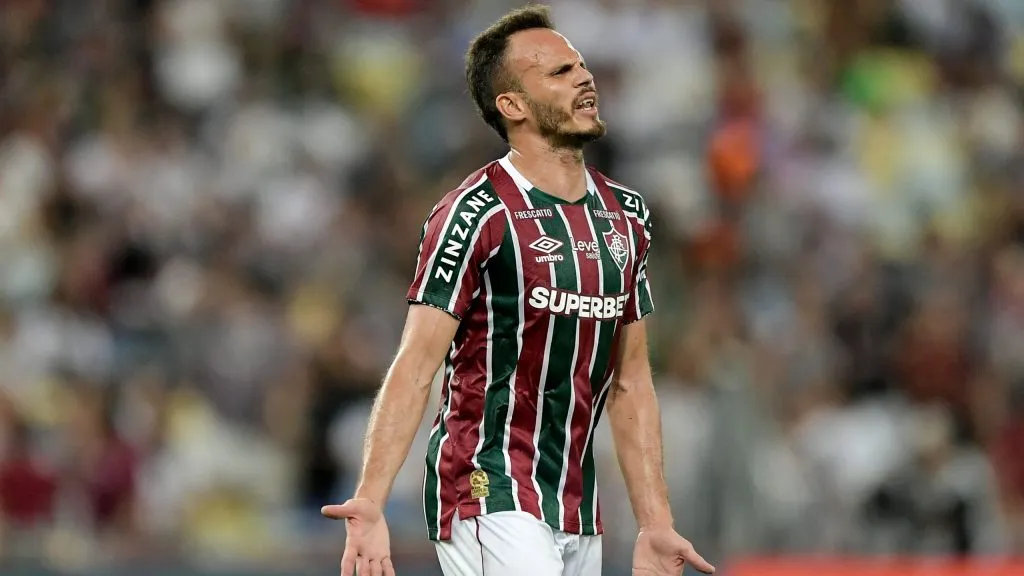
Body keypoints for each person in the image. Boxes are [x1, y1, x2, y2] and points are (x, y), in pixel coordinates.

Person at [320, 5, 714, 576]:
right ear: (513, 106)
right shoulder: (475, 213)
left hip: (575, 502)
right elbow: (416, 363)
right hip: (485, 486)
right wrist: (371, 498)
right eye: (558, 72)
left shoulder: (626, 218)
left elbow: (630, 382)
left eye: (580, 65)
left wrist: (655, 523)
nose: (584, 78)